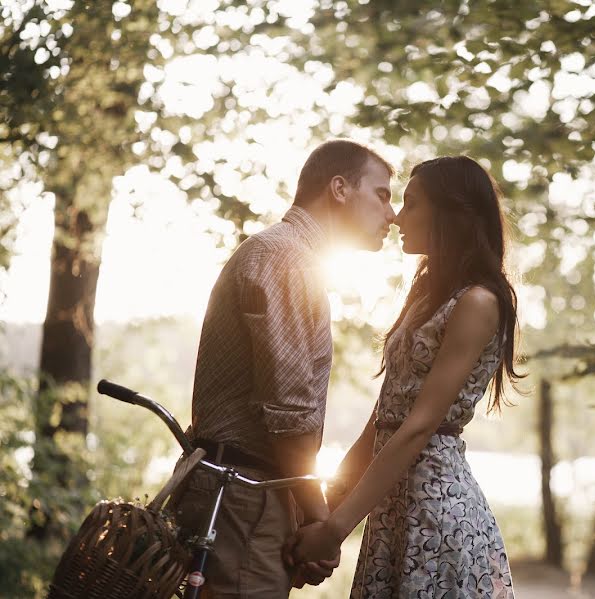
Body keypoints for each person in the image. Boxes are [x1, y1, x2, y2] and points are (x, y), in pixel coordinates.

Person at [286, 156, 521, 598]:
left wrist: (335, 529)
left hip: (436, 514)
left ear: (448, 213)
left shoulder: (479, 302)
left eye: (411, 204)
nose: (396, 217)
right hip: (393, 508)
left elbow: (417, 428)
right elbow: (385, 418)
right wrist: (324, 509)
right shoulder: (426, 296)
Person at [174, 139, 396, 597]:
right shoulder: (287, 259)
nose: (391, 214)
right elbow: (290, 413)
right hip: (243, 493)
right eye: (382, 193)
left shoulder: (291, 258)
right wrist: (319, 518)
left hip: (248, 490)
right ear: (339, 188)